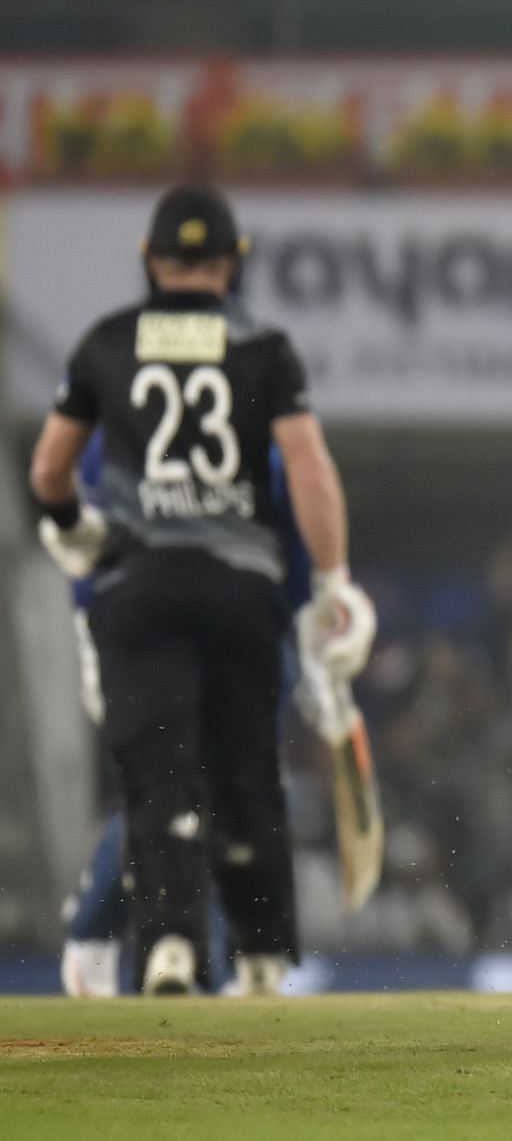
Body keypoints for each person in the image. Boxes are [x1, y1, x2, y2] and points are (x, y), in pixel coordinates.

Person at [29, 183, 375, 996]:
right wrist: (332, 589)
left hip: (134, 591)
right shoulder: (263, 349)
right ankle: (258, 956)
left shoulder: (105, 345)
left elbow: (51, 473)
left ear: (151, 261)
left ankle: (170, 951)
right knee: (245, 771)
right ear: (233, 263)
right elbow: (311, 478)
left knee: (161, 780)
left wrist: (75, 540)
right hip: (240, 593)